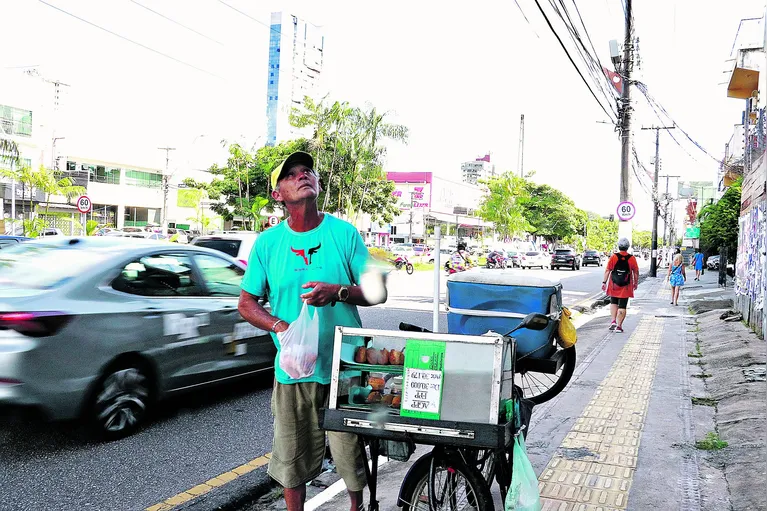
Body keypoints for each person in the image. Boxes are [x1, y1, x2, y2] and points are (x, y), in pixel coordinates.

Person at [237, 151, 386, 511]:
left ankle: (355, 506)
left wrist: (338, 292)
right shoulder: (268, 244)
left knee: (350, 453)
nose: (303, 176)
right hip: (294, 369)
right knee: (292, 459)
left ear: (317, 184)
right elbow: (246, 303)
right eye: (291, 174)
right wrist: (279, 325)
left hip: (346, 365)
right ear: (278, 195)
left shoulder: (344, 234)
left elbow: (378, 291)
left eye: (308, 171)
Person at [602, 238, 640, 333]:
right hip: (626, 286)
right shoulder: (632, 258)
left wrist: (604, 282)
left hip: (613, 284)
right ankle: (619, 326)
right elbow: (636, 272)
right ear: (628, 247)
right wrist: (635, 282)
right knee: (622, 305)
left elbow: (607, 270)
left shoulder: (613, 257)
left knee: (613, 302)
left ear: (619, 246)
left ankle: (613, 321)